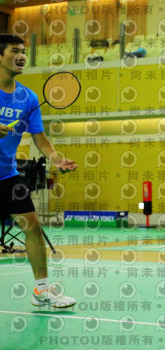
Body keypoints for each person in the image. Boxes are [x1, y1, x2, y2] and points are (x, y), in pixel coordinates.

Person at [0, 34, 78, 308]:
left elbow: (40, 138)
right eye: (14, 51)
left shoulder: (28, 98)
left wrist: (56, 158)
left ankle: (41, 291)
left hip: (6, 175)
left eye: (23, 51)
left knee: (32, 226)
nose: (21, 56)